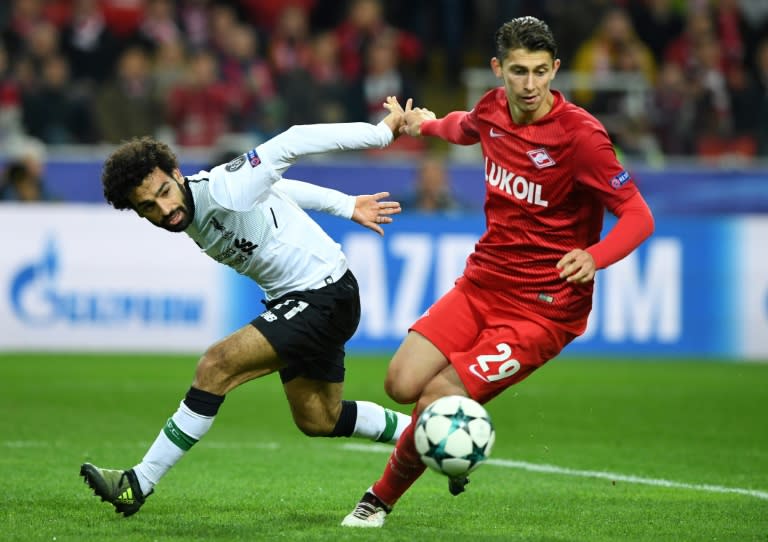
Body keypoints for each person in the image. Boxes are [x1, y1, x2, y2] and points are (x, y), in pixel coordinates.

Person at [341, 16, 655, 528]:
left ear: (555, 69)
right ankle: (444, 435)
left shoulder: (581, 138)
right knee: (401, 383)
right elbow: (464, 126)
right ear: (498, 69)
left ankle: (378, 499)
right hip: (483, 283)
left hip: (543, 309)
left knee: (438, 394)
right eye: (517, 72)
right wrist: (422, 124)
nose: (529, 85)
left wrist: (594, 257)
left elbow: (639, 215)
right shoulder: (492, 109)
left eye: (538, 72)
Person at [80, 96, 413, 517]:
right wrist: (345, 205)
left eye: (165, 191)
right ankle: (419, 435)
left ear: (177, 174)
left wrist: (381, 134)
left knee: (215, 365)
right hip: (312, 298)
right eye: (148, 207)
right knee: (318, 418)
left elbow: (293, 141)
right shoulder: (195, 206)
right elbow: (275, 189)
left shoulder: (223, 186)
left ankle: (138, 482)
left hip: (321, 295)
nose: (165, 210)